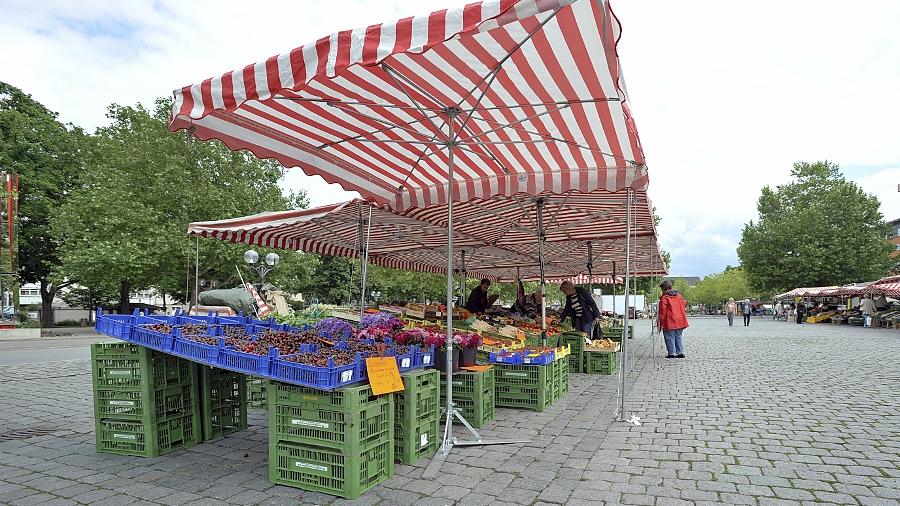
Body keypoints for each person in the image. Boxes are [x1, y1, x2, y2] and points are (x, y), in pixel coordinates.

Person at [657, 280, 688, 358]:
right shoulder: (679, 296)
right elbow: (684, 306)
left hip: (669, 320)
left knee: (669, 336)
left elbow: (662, 311)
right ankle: (680, 352)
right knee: (678, 336)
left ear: (664, 289)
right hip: (680, 320)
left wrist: (660, 322)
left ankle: (671, 353)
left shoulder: (665, 298)